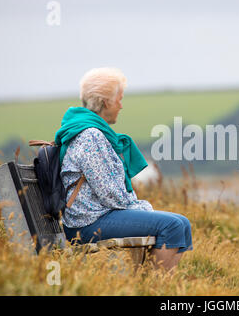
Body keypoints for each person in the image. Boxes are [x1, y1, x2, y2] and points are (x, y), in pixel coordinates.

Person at [55, 67, 193, 271]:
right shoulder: (91, 136)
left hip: (97, 215)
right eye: (119, 99)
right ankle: (157, 290)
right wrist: (141, 207)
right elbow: (109, 193)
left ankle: (155, 285)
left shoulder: (92, 131)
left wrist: (139, 207)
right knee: (171, 225)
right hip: (87, 222)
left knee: (182, 223)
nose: (121, 105)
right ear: (106, 102)